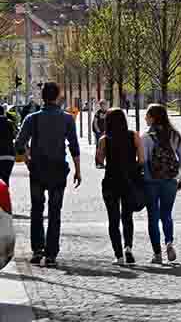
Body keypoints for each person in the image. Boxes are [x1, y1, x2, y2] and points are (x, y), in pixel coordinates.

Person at [15, 82, 81, 267]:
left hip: (37, 170)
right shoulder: (67, 119)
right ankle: (51, 253)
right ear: (58, 96)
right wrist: (78, 170)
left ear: (42, 96)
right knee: (55, 211)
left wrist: (29, 160)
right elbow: (74, 146)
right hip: (58, 170)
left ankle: (37, 250)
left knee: (36, 210)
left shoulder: (32, 118)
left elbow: (19, 144)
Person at [95, 108, 142, 265]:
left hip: (111, 181)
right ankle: (128, 248)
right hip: (129, 181)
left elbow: (99, 161)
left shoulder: (104, 139)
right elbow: (141, 159)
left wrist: (103, 159)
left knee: (113, 219)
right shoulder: (133, 135)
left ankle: (119, 256)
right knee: (127, 217)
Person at [142, 103, 181, 265]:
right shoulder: (174, 134)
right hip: (170, 179)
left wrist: (146, 178)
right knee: (166, 213)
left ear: (153, 117)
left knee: (153, 216)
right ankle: (169, 242)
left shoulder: (146, 136)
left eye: (147, 115)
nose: (145, 118)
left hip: (152, 180)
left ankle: (157, 254)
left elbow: (144, 160)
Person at [0, 103, 17, 186]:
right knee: (5, 180)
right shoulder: (10, 123)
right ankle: (5, 196)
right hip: (9, 156)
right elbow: (15, 136)